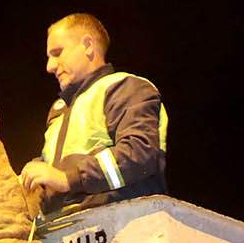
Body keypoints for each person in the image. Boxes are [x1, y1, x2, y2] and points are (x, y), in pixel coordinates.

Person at [19, 12, 167, 219]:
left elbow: (140, 153)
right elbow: (51, 177)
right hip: (71, 234)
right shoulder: (59, 112)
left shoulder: (125, 87)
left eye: (57, 52)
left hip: (128, 225)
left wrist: (68, 178)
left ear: (88, 45)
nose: (50, 66)